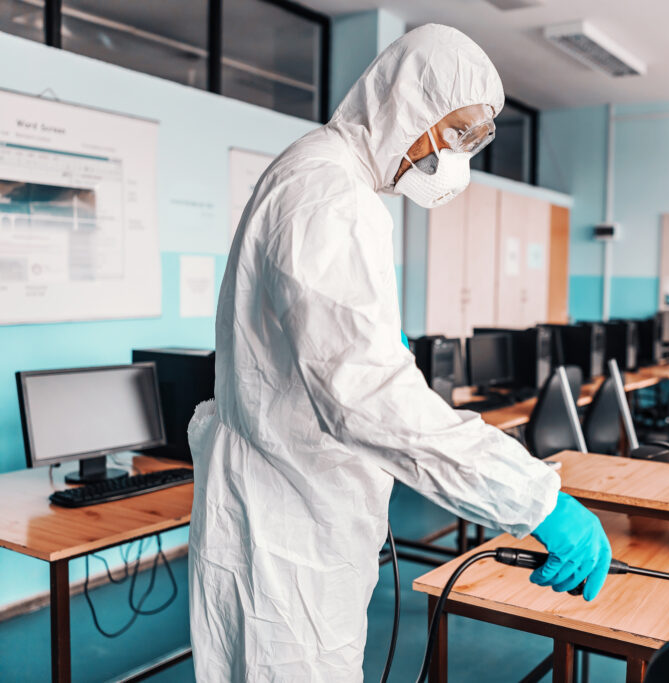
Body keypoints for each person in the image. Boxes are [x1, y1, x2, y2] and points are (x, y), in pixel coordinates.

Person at [187, 24, 611, 681]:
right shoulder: (331, 198)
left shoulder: (321, 174)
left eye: (474, 140)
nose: (458, 157)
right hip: (286, 527)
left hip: (291, 506)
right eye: (454, 133)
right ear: (405, 105)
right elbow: (370, 402)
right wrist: (536, 500)